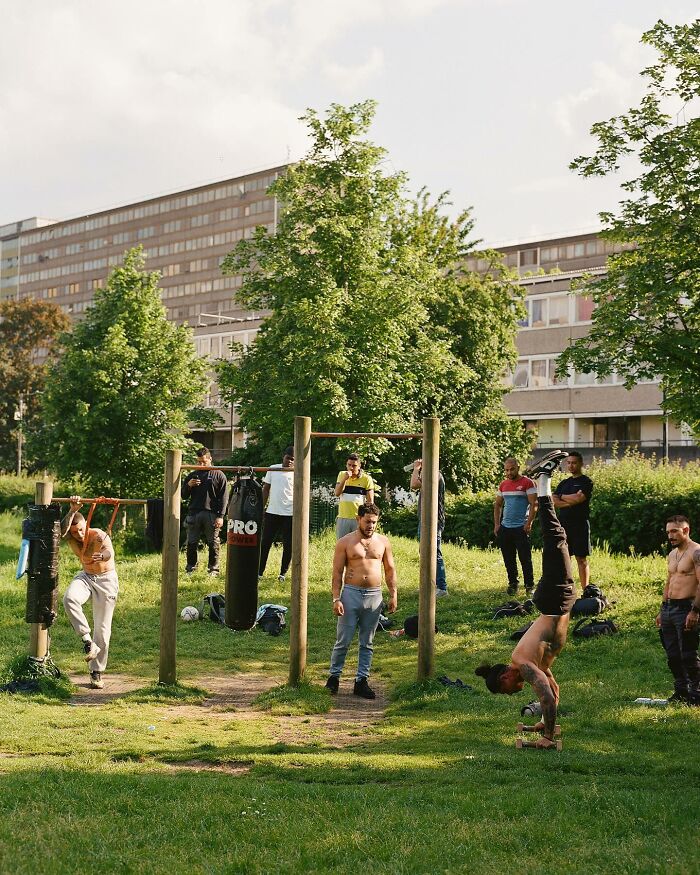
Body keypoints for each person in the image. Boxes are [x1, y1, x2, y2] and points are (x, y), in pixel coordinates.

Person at [475, 450, 574, 748]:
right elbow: (553, 688)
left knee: (555, 538)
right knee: (556, 538)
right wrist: (545, 723)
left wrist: (546, 737)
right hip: (556, 601)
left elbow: (543, 693)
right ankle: (543, 479)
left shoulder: (524, 665)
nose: (515, 691)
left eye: (508, 690)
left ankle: (542, 478)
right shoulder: (531, 664)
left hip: (555, 599)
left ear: (505, 676)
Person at [325, 503, 398, 699]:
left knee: (367, 641)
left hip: (374, 596)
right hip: (351, 594)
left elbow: (389, 569)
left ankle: (361, 680)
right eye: (367, 522)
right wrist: (336, 598)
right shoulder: (345, 542)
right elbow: (337, 572)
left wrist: (393, 594)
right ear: (358, 519)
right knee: (344, 640)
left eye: (374, 522)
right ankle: (334, 677)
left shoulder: (383, 542)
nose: (370, 526)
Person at [61, 496, 119, 690]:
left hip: (106, 580)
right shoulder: (70, 537)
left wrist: (101, 555)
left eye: (80, 529)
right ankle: (87, 642)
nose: (78, 534)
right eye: (74, 531)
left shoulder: (98, 534)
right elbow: (60, 532)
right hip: (86, 577)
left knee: (102, 630)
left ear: (87, 524)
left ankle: (96, 672)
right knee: (69, 598)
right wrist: (72, 510)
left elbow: (109, 553)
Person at [656, 515, 700, 705]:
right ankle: (681, 691)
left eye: (674, 531)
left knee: (688, 654)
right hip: (669, 609)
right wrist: (662, 609)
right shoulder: (672, 554)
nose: (670, 536)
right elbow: (669, 581)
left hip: (686, 608)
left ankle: (696, 693)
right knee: (672, 654)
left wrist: (695, 611)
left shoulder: (696, 552)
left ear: (686, 530)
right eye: (668, 532)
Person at [181, 446, 229, 575]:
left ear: (210, 459)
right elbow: (183, 495)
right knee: (191, 543)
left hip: (212, 514)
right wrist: (188, 486)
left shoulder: (219, 474)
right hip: (194, 513)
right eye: (199, 462)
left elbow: (224, 498)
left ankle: (213, 569)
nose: (201, 464)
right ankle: (191, 568)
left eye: (204, 461)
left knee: (213, 543)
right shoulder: (192, 475)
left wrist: (221, 516)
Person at [493, 457, 537, 597]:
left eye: (512, 469)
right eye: (506, 470)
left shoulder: (527, 483)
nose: (509, 472)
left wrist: (529, 523)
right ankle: (513, 584)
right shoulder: (503, 484)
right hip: (505, 528)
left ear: (518, 467)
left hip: (521, 528)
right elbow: (498, 505)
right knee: (508, 558)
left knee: (525, 558)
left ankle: (529, 586)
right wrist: (497, 524)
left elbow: (534, 505)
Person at [553, 450, 593, 590]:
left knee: (581, 559)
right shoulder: (564, 483)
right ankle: (567, 588)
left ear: (581, 463)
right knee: (565, 559)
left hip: (580, 524)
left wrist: (562, 497)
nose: (571, 466)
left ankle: (586, 590)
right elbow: (554, 501)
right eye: (568, 463)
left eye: (574, 463)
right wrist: (570, 500)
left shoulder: (586, 482)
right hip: (564, 525)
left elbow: (579, 499)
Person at [410, 458, 448, 597]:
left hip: (433, 520)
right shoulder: (429, 475)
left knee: (433, 552)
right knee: (424, 552)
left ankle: (442, 587)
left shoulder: (435, 475)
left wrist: (415, 468)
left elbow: (414, 484)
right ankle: (428, 586)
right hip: (425, 519)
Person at [259, 445, 294, 583]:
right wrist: (261, 508)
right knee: (265, 542)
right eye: (288, 458)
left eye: (293, 459)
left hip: (290, 513)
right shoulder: (273, 468)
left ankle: (282, 573)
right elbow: (266, 489)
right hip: (272, 512)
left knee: (288, 545)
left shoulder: (297, 471)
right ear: (283, 457)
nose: (290, 461)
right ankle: (259, 572)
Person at [334, 453, 374, 540]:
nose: (351, 468)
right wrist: (345, 479)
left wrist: (367, 519)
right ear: (346, 465)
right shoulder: (342, 475)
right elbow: (337, 493)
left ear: (359, 466)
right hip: (343, 517)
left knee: (358, 543)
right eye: (349, 465)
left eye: (354, 466)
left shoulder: (366, 479)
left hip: (358, 518)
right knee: (342, 543)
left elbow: (370, 502)